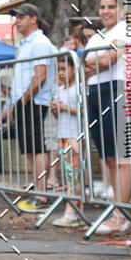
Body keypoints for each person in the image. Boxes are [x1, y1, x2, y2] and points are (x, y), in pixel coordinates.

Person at [0, 3, 57, 212]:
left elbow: (40, 76)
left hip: (35, 102)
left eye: (21, 17)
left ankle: (41, 195)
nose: (17, 21)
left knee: (37, 147)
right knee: (30, 149)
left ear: (33, 19)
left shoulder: (39, 43)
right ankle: (39, 190)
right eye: (16, 17)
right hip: (26, 102)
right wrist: (13, 105)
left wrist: (23, 101)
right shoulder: (27, 44)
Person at [84, 0, 131, 235]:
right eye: (102, 7)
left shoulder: (127, 31)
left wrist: (97, 61)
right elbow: (84, 67)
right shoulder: (96, 37)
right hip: (96, 92)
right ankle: (116, 208)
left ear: (122, 9)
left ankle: (121, 215)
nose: (105, 11)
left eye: (111, 7)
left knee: (122, 157)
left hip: (121, 90)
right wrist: (98, 60)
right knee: (109, 158)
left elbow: (108, 61)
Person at [51, 53, 83, 227]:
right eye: (58, 70)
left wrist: (64, 107)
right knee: (70, 175)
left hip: (75, 135)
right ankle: (77, 212)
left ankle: (71, 213)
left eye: (64, 69)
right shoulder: (60, 89)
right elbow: (59, 115)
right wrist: (56, 110)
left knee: (74, 175)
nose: (61, 73)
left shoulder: (78, 87)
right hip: (63, 135)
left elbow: (84, 112)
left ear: (73, 68)